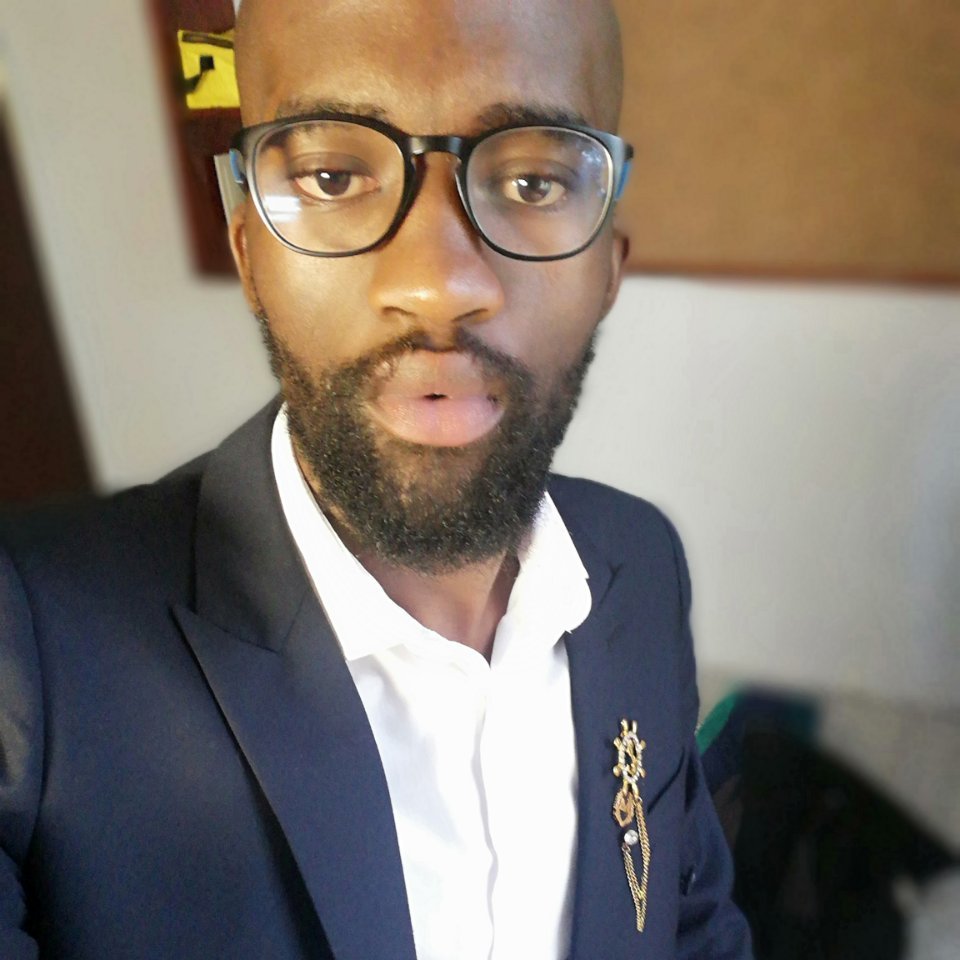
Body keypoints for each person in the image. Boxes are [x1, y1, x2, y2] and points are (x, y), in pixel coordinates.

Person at [0, 0, 753, 957]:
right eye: (334, 176)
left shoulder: (640, 563)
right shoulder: (30, 644)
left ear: (609, 266)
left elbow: (691, 922)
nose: (439, 284)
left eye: (531, 181)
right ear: (250, 254)